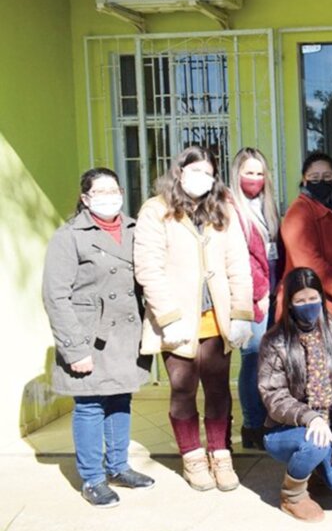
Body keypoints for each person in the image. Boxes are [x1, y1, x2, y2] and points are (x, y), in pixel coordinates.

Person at [134, 145, 254, 492]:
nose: (201, 178)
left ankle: (220, 452)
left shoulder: (223, 210)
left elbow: (238, 265)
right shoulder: (156, 211)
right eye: (195, 170)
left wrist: (241, 314)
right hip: (177, 320)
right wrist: (167, 316)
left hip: (216, 317)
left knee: (218, 389)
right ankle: (192, 456)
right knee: (183, 389)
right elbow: (149, 268)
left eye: (208, 172)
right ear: (180, 171)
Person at [42, 168, 155, 508]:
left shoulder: (136, 229)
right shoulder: (69, 236)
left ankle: (118, 466)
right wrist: (74, 348)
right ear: (86, 198)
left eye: (114, 189)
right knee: (90, 405)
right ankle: (92, 478)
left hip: (127, 334)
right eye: (100, 191)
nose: (109, 197)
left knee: (120, 400)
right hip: (90, 336)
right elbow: (55, 296)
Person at [259, 267, 332, 522]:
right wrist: (309, 417)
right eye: (301, 301)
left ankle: (313, 468)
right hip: (285, 430)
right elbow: (274, 395)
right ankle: (291, 496)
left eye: (313, 298)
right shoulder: (275, 340)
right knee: (314, 442)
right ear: (290, 304)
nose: (309, 305)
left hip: (329, 430)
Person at [228, 146, 281, 450]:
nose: (255, 178)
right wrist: (259, 294)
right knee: (252, 358)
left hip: (272, 293)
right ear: (237, 174)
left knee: (266, 359)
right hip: (251, 296)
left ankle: (264, 418)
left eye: (259, 173)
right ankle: (252, 425)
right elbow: (240, 258)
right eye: (249, 172)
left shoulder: (267, 205)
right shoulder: (231, 208)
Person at [278, 151, 332, 325]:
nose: (321, 181)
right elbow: (309, 262)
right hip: (309, 303)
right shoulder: (298, 212)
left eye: (327, 176)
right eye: (314, 177)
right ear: (304, 179)